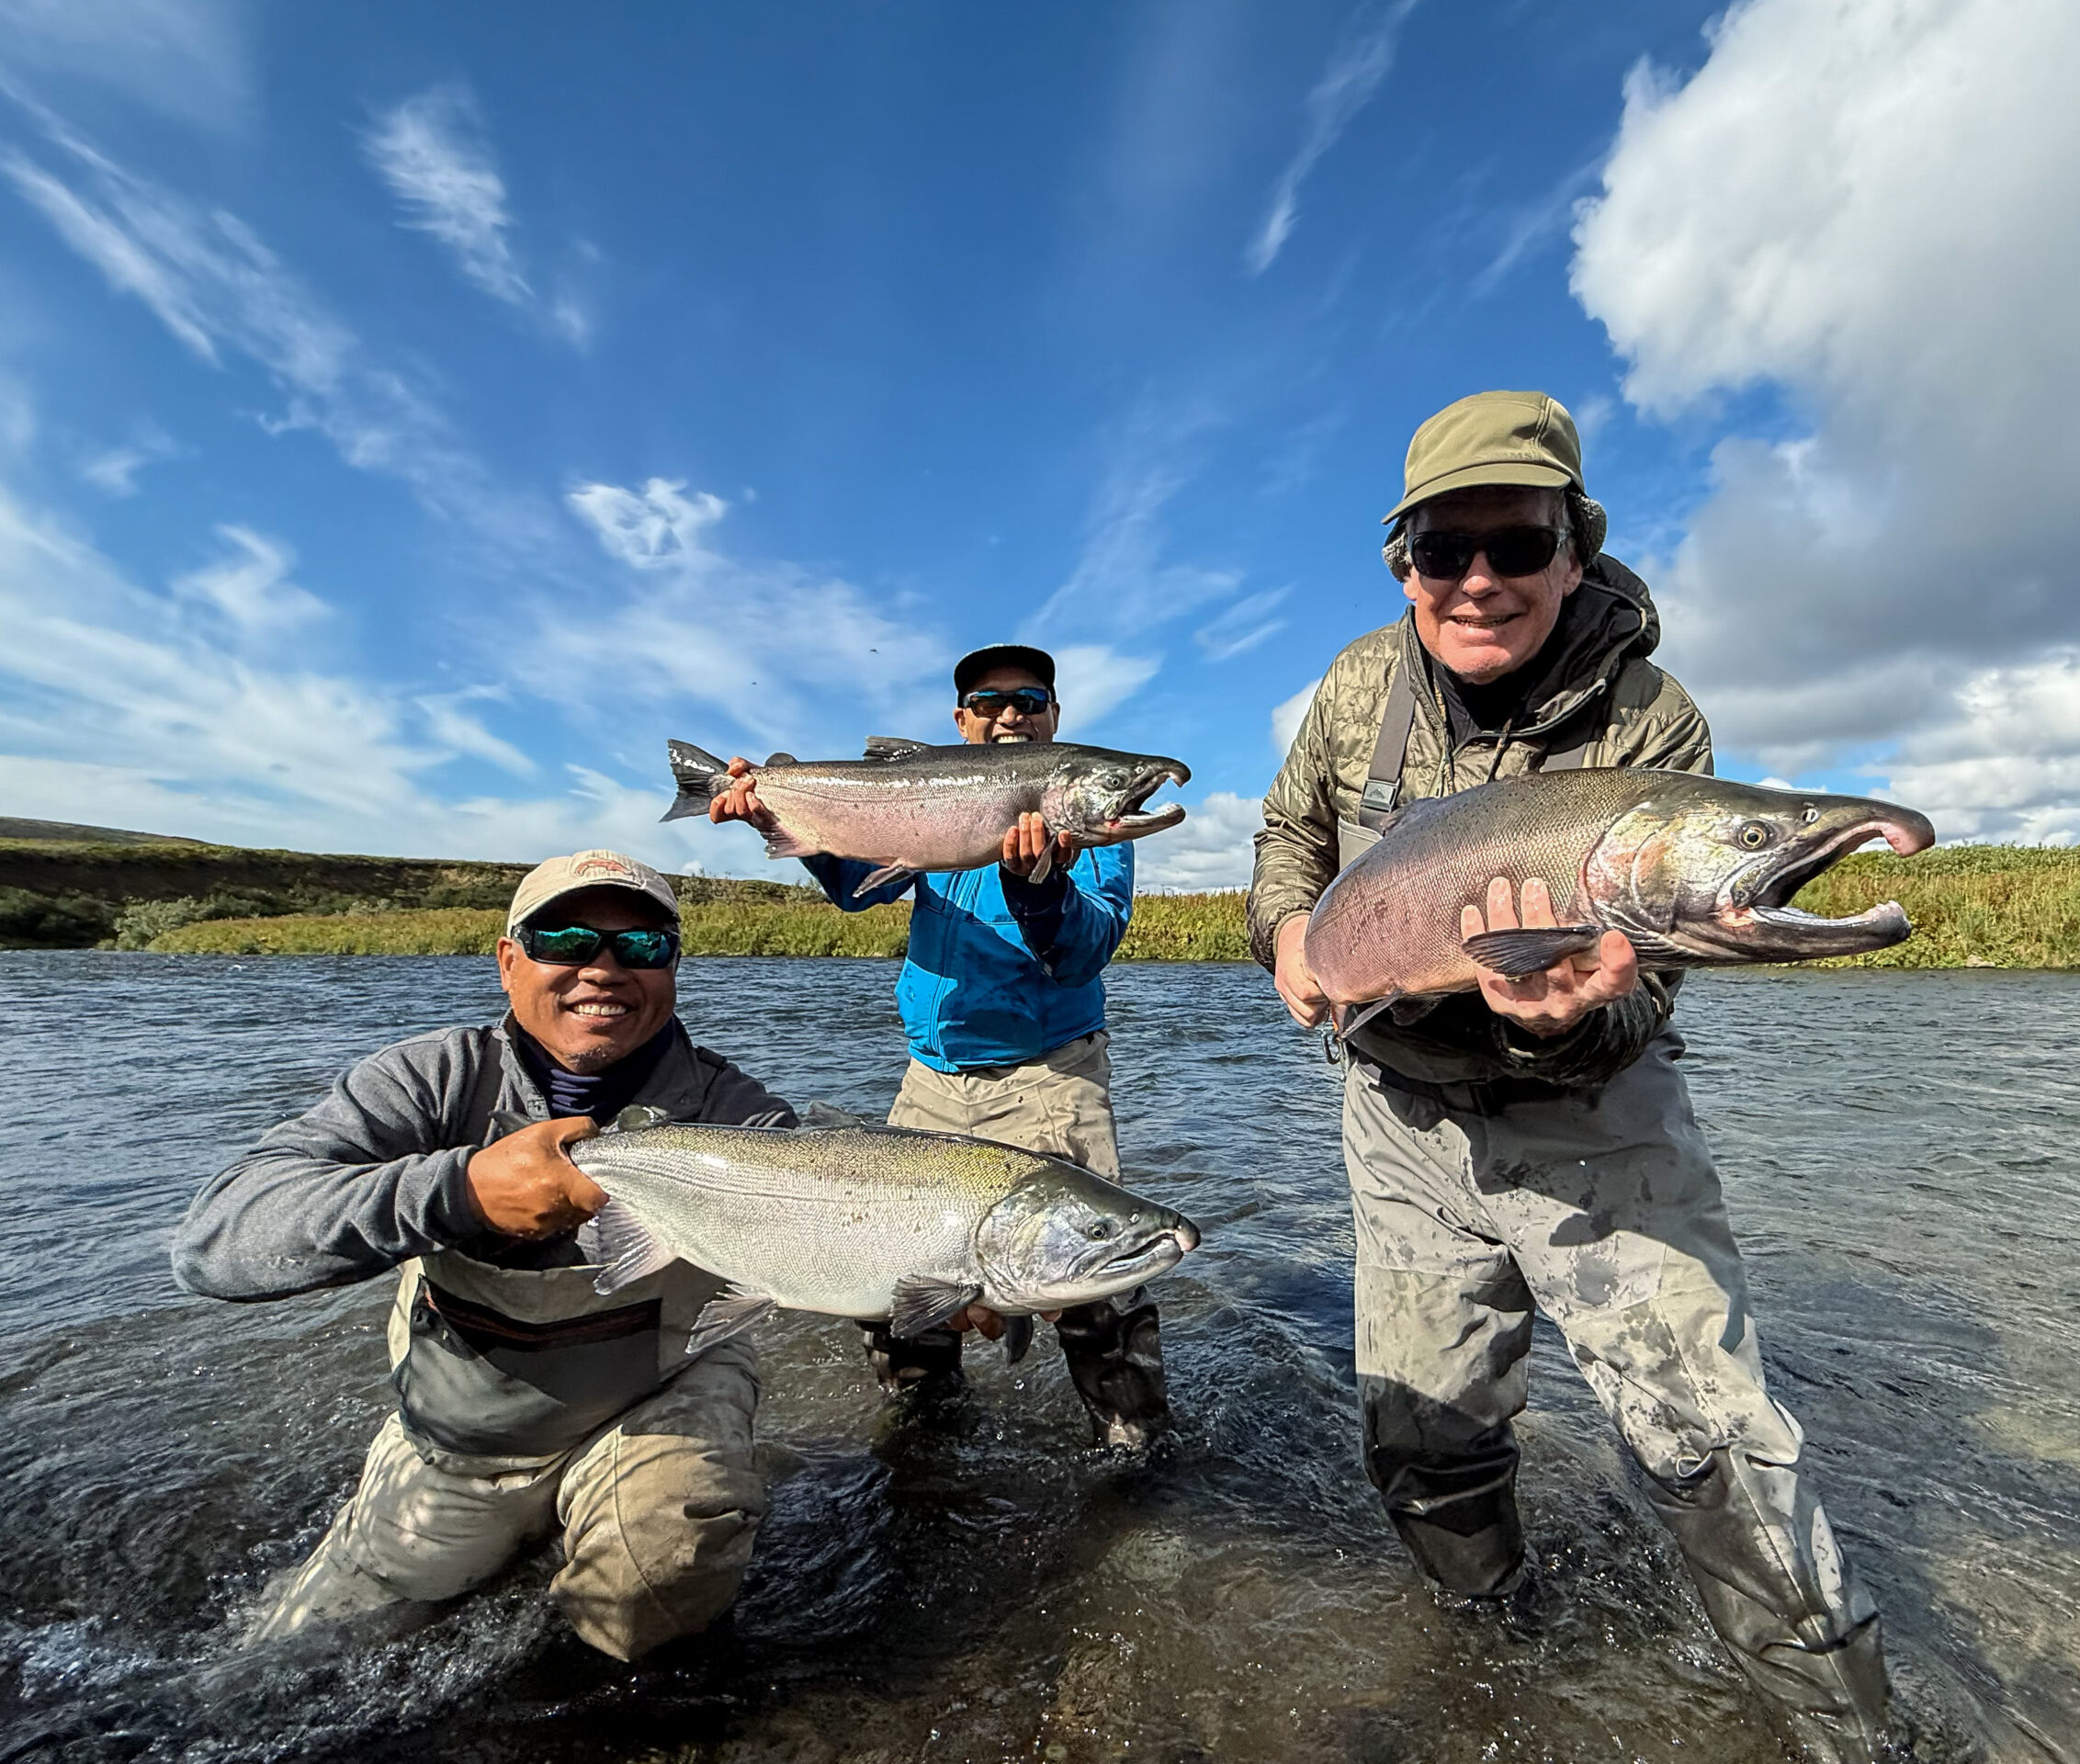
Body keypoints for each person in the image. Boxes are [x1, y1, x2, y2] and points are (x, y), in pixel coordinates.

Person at [1248, 391, 1892, 1762]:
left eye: (1518, 544)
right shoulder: (1357, 688)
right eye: (1445, 549)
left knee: (1713, 1450)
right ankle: (1494, 1663)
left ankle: (1846, 1732)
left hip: (1596, 1112)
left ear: (1576, 549)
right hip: (1398, 1115)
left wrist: (1551, 1025)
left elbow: (1643, 994)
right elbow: (1289, 833)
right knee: (1424, 1435)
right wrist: (1288, 933)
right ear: (1404, 563)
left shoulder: (1656, 723)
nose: (1479, 579)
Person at [172, 850, 796, 1660]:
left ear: (672, 967)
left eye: (642, 945)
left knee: (665, 1571)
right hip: (469, 1441)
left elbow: (858, 1229)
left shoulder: (739, 1115)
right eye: (564, 940)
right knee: (292, 1658)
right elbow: (216, 1242)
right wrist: (460, 1191)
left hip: (659, 1395)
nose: (603, 968)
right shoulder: (428, 1082)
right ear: (508, 961)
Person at [707, 643, 1169, 1450]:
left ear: (1055, 716)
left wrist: (1040, 887)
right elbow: (856, 889)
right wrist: (774, 814)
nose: (1010, 713)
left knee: (1093, 1277)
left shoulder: (1093, 833)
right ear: (961, 720)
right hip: (930, 1078)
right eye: (989, 702)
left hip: (1048, 1075)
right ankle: (923, 1442)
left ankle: (1136, 1447)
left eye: (1029, 699)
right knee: (895, 1281)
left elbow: (1086, 951)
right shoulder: (930, 798)